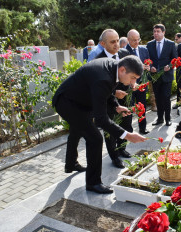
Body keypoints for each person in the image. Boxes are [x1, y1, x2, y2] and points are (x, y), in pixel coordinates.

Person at [52, 55, 147, 194]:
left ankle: (71, 164)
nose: (134, 82)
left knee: (79, 131)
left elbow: (106, 92)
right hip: (67, 103)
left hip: (80, 101)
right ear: (122, 70)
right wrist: (127, 135)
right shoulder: (103, 77)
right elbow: (101, 119)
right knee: (95, 138)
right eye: (133, 77)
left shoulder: (113, 69)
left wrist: (116, 106)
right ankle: (93, 183)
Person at [95, 29, 132, 168]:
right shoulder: (99, 60)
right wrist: (115, 93)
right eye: (112, 42)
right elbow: (98, 85)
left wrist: (133, 83)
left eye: (117, 40)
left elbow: (130, 71)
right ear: (103, 44)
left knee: (127, 124)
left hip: (126, 97)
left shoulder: (124, 54)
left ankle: (122, 148)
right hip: (109, 100)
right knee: (110, 130)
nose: (117, 44)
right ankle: (114, 157)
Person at [146, 23, 178, 126]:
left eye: (158, 31)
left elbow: (175, 60)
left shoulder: (171, 44)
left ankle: (168, 119)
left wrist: (169, 66)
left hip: (167, 76)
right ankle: (160, 119)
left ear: (163, 32)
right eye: (154, 32)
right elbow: (148, 60)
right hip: (155, 77)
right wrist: (151, 67)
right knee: (158, 98)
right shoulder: (149, 44)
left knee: (166, 97)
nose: (155, 34)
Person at [125, 29, 151, 134]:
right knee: (130, 108)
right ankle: (128, 130)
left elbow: (149, 63)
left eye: (138, 39)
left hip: (141, 83)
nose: (136, 42)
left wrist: (149, 67)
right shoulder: (124, 51)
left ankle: (142, 127)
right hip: (129, 85)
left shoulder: (144, 50)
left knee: (142, 105)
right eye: (134, 40)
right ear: (128, 40)